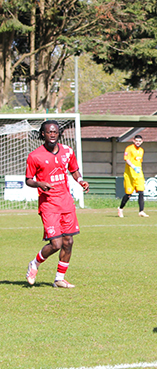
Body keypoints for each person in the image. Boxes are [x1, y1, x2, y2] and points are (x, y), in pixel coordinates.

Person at [25, 120, 90, 288]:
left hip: (66, 202)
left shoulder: (67, 151)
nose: (52, 134)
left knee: (68, 242)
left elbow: (74, 170)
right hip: (48, 204)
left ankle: (59, 279)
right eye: (49, 132)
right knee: (56, 244)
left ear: (59, 133)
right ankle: (34, 264)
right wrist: (39, 184)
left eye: (55, 132)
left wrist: (80, 181)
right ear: (43, 134)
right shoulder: (35, 156)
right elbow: (28, 180)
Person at [118, 135, 149, 218]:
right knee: (128, 194)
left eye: (139, 141)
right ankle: (120, 208)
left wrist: (138, 169)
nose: (138, 142)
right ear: (134, 141)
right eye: (136, 141)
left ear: (142, 141)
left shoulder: (141, 150)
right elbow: (127, 159)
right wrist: (133, 167)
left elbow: (139, 161)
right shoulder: (129, 148)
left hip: (139, 175)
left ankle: (141, 211)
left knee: (141, 192)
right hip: (130, 175)